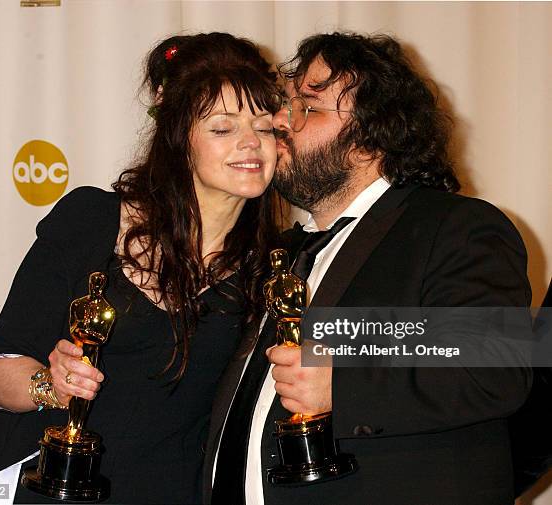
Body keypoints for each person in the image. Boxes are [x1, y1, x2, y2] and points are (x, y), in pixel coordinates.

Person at [206, 32, 532, 505]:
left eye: (308, 108)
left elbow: (496, 366)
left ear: (367, 140)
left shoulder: (455, 226)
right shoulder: (283, 252)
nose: (280, 121)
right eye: (286, 105)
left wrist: (343, 383)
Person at [0, 32, 280, 504]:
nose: (250, 143)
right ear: (179, 139)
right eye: (222, 128)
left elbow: (353, 355)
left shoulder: (273, 265)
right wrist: (49, 385)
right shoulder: (91, 220)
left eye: (264, 126)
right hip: (48, 490)